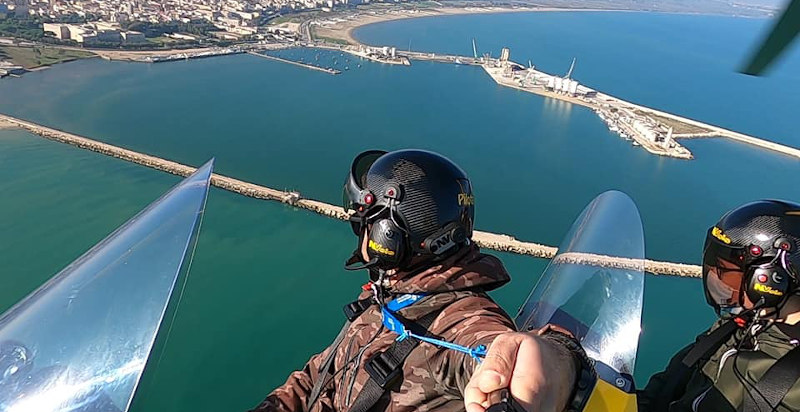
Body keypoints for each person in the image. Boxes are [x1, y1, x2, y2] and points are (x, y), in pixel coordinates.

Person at [248, 149, 580, 412]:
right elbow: (320, 377)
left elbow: (498, 352)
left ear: (387, 236)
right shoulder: (391, 296)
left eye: (363, 225)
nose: (359, 235)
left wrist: (554, 362)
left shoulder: (457, 321)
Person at [468, 200, 800, 412]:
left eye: (726, 276)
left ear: (772, 279)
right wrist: (571, 379)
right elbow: (659, 396)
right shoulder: (737, 330)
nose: (718, 285)